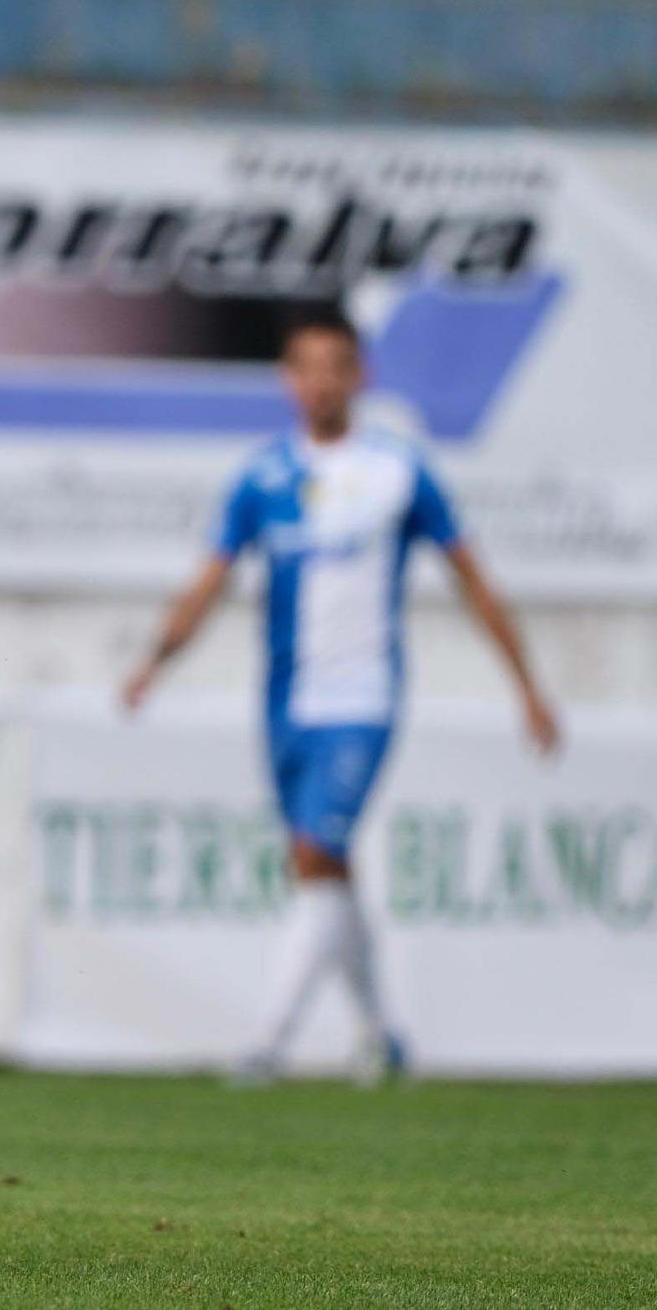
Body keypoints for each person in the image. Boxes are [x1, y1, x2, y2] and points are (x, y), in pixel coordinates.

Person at [122, 312, 559, 1081]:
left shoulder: (399, 471)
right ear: (288, 380)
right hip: (286, 701)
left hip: (365, 696)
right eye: (308, 366)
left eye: (338, 365)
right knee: (324, 867)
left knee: (315, 850)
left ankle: (267, 1040)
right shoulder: (262, 478)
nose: (322, 381)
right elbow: (209, 581)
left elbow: (474, 581)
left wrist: (529, 686)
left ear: (361, 375)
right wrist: (155, 660)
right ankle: (383, 1034)